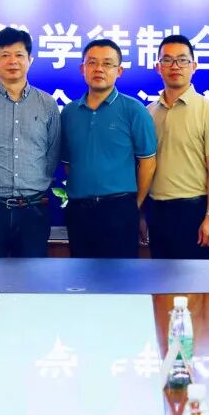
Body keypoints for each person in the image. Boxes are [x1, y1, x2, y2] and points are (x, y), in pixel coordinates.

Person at [0, 27, 60, 257]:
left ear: (30, 60)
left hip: (34, 209)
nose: (13, 61)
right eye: (5, 55)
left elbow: (52, 153)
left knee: (32, 277)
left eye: (19, 55)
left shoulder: (47, 104)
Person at [60, 39, 157, 258]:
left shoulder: (134, 110)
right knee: (81, 275)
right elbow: (68, 164)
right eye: (92, 62)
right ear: (82, 68)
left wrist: (134, 206)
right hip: (79, 211)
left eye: (107, 63)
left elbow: (148, 164)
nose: (99, 69)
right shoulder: (69, 113)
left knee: (120, 276)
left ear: (119, 71)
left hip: (120, 209)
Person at [146, 34, 209, 259]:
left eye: (182, 60)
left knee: (194, 279)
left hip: (193, 211)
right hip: (156, 210)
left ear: (194, 66)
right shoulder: (148, 112)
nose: (175, 66)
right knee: (159, 278)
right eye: (167, 60)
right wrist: (142, 215)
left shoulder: (208, 110)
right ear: (158, 67)